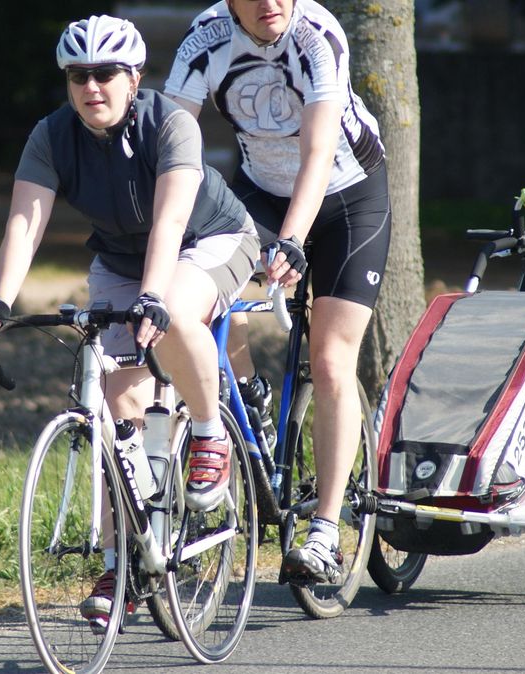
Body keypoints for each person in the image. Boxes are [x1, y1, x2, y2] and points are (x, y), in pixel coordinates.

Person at [0, 15, 258, 631]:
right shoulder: (52, 135)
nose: (91, 87)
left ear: (134, 78)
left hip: (210, 240)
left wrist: (153, 298)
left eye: (105, 74)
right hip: (121, 259)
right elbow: (25, 224)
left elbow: (172, 221)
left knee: (175, 312)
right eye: (78, 76)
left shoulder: (170, 123)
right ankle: (126, 562)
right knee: (117, 407)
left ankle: (208, 433)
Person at [164, 0, 392, 584]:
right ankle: (246, 403)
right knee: (204, 291)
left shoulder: (317, 36)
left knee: (331, 358)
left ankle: (324, 533)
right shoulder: (206, 37)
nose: (269, 3)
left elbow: (317, 152)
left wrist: (291, 242)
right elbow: (171, 141)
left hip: (347, 196)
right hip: (259, 191)